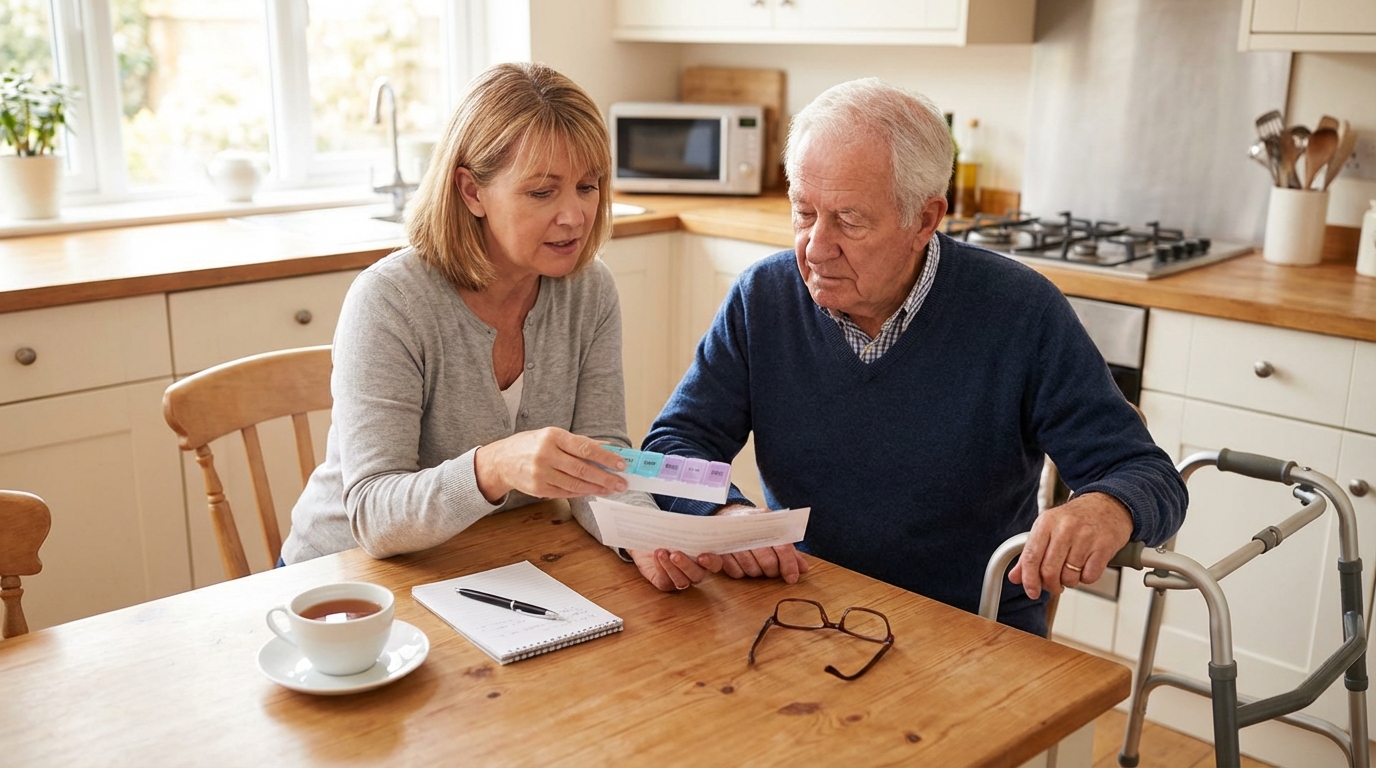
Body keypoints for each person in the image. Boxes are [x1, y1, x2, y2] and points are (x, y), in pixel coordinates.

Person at [635, 78, 1188, 635]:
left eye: (849, 221)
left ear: (924, 220)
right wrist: (725, 513)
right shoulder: (764, 297)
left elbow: (1146, 472)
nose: (815, 246)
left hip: (972, 624)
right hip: (807, 607)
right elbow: (670, 447)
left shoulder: (1020, 310)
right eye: (804, 212)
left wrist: (1104, 508)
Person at [281, 62, 653, 564]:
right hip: (346, 578)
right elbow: (373, 513)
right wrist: (493, 466)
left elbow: (598, 454)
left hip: (484, 563)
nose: (574, 216)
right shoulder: (390, 300)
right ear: (471, 191)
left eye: (588, 186)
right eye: (542, 192)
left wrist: (647, 537)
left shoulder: (590, 292)